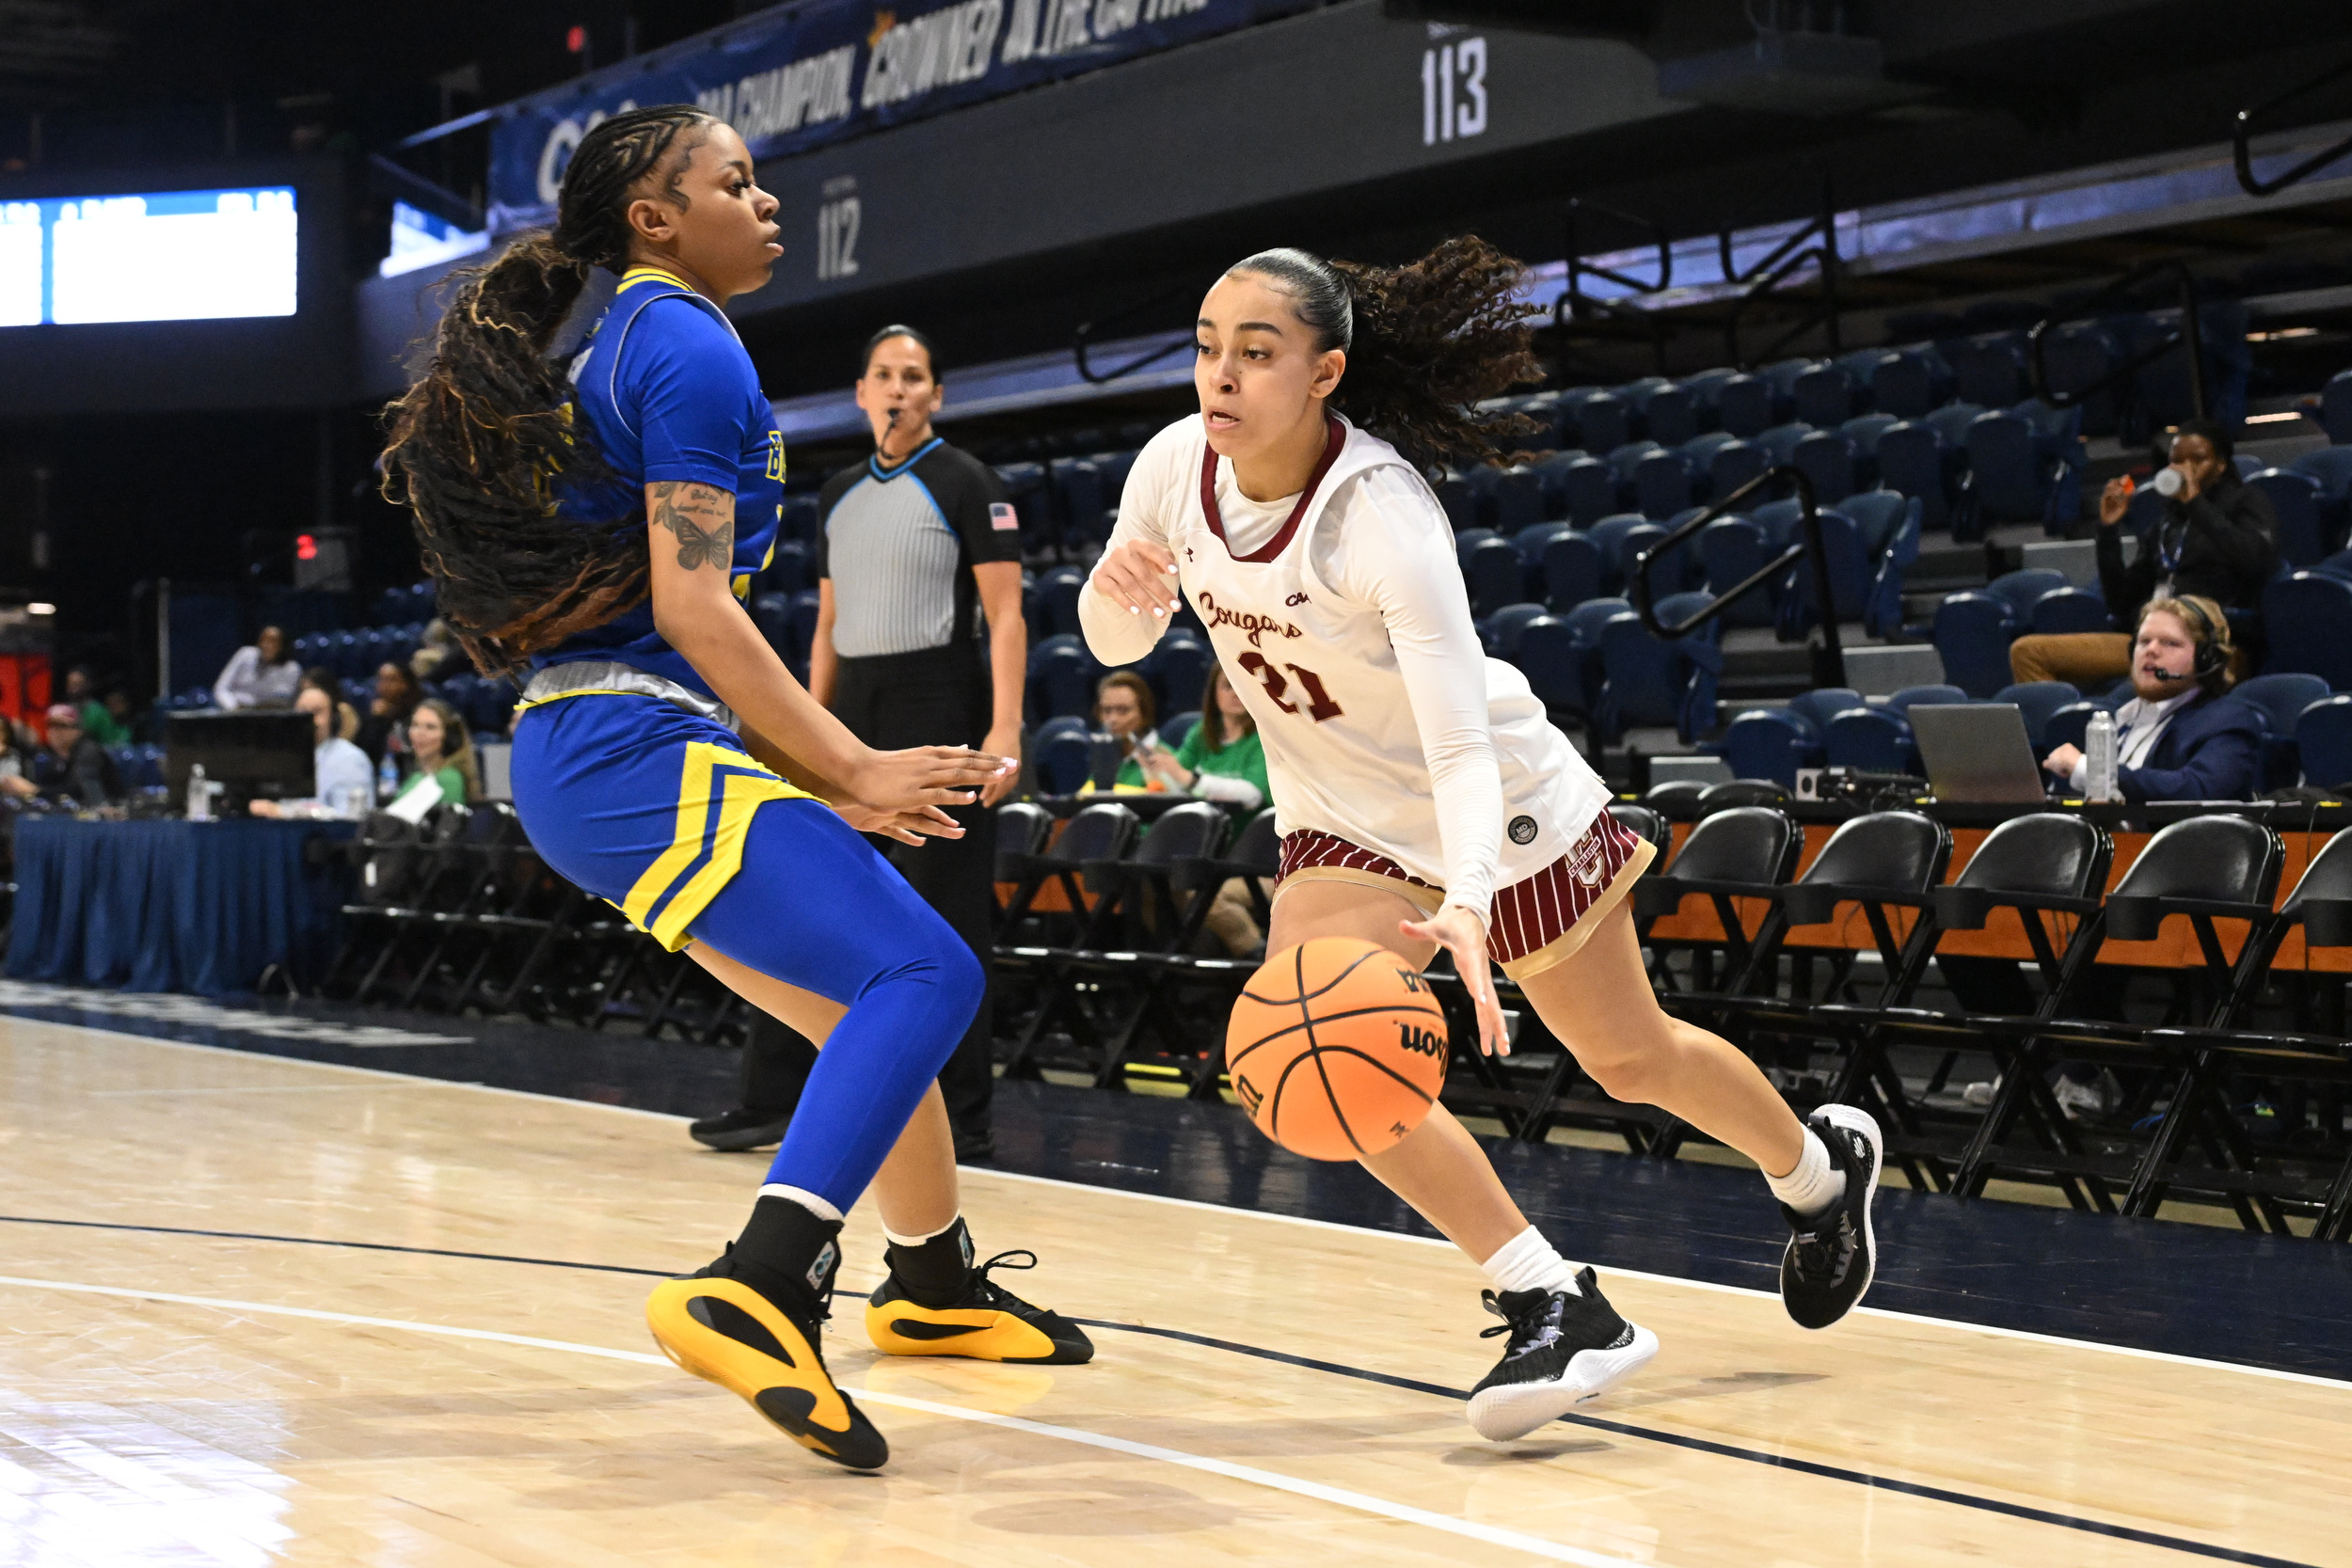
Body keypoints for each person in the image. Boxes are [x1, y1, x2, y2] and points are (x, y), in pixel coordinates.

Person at [378, 104, 1086, 1473]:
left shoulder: (639, 337)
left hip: (613, 746)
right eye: (737, 182)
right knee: (928, 977)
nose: (768, 203)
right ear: (654, 215)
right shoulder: (686, 344)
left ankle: (930, 1280)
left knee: (872, 1014)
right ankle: (760, 1274)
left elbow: (676, 624)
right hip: (630, 740)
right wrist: (854, 759)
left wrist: (818, 771)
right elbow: (693, 606)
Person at [1082, 239, 1884, 1444]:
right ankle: (1547, 1291)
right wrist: (1117, 587)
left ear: (1325, 371)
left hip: (1497, 809)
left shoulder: (1381, 516)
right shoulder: (1169, 468)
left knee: (1631, 1059)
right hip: (1342, 823)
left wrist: (1467, 895)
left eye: (1257, 352)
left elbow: (1458, 749)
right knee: (1322, 1047)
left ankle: (1819, 1173)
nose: (1222, 377)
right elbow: (1109, 644)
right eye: (1207, 349)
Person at [699, 324, 1025, 1162]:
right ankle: (773, 1098)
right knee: (809, 892)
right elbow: (829, 622)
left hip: (940, 698)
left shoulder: (969, 481)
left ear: (936, 395)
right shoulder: (837, 490)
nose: (898, 388)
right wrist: (804, 729)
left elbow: (1006, 617)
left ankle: (964, 1116)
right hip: (852, 708)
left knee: (943, 912)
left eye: (914, 376)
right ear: (861, 391)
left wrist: (1003, 727)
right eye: (883, 374)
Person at [2010, 420, 2276, 689]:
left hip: (2213, 645)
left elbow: (2255, 561)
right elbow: (2120, 603)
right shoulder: (2165, 524)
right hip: (2152, 642)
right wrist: (2108, 531)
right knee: (2027, 652)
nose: (2185, 469)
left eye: (2198, 459)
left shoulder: (2247, 501)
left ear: (2220, 466)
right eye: (2177, 461)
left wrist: (2196, 504)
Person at [2039, 594, 2261, 803]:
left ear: (2207, 659)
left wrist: (2092, 771)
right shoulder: (2123, 719)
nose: (2151, 650)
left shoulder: (2228, 721)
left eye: (2170, 643)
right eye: (2144, 641)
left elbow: (2197, 790)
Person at [1136, 661, 1274, 954]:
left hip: (1264, 863)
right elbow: (1178, 790)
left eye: (1241, 685)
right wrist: (1155, 771)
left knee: (1209, 898)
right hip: (1211, 859)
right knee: (1151, 890)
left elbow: (1251, 794)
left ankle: (1260, 962)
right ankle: (1186, 979)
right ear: (1214, 694)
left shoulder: (1265, 735)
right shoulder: (1202, 734)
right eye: (1227, 685)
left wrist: (1188, 777)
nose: (1236, 693)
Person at [249, 683, 376, 818]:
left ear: (333, 719)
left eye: (317, 711)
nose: (309, 718)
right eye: (302, 711)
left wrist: (284, 812)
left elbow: (351, 819)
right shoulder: (286, 757)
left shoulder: (350, 759)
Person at [382, 697, 478, 814]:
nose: (419, 733)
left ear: (450, 737)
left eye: (430, 727)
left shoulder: (449, 778)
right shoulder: (416, 777)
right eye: (415, 725)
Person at [29, 703, 121, 808]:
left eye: (61, 726)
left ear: (77, 730)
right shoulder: (55, 757)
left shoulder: (88, 751)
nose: (54, 732)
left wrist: (35, 791)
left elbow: (79, 791)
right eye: (50, 726)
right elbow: (50, 784)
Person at [1081, 671, 1157, 789]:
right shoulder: (1100, 757)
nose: (1113, 719)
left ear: (1144, 714)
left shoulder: (1165, 759)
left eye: (1123, 710)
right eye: (1106, 710)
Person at [212, 626, 303, 710]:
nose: (266, 645)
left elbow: (284, 699)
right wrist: (233, 707)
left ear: (283, 646)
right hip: (235, 713)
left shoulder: (292, 669)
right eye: (263, 640)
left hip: (270, 717)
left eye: (273, 642)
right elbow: (221, 688)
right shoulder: (245, 654)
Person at [356, 660, 422, 765]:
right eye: (381, 679)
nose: (384, 685)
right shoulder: (374, 713)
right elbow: (365, 751)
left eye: (391, 680)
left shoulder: (417, 713)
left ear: (405, 684)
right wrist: (377, 719)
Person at [299, 666, 363, 744]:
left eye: (313, 689)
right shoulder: (301, 708)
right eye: (304, 690)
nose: (309, 694)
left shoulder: (344, 711)